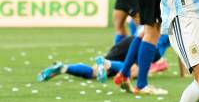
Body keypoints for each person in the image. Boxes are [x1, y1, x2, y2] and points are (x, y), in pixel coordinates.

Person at [36, 36, 170, 83]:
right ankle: (107, 63)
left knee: (94, 72)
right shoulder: (179, 28)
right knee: (134, 72)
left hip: (130, 41)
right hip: (148, 46)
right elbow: (183, 54)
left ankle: (64, 68)